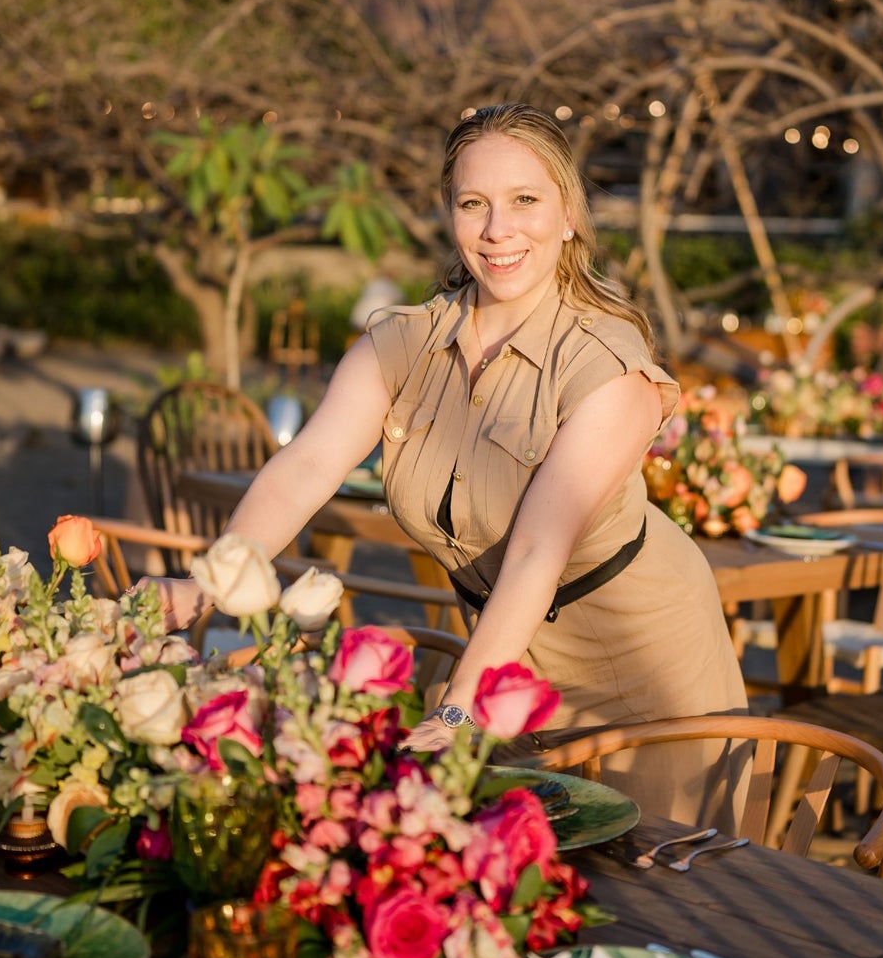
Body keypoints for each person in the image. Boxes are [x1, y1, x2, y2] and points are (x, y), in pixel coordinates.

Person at [151, 103, 748, 827]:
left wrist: (460, 707)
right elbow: (305, 468)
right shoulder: (405, 344)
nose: (499, 230)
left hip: (642, 670)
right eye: (474, 204)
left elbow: (536, 549)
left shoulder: (607, 367)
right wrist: (202, 587)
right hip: (504, 652)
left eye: (525, 200)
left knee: (649, 898)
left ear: (568, 215)